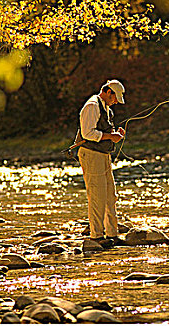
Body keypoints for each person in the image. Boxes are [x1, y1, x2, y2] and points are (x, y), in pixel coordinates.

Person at [76, 79, 126, 248]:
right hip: (91, 155)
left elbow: (102, 131)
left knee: (110, 195)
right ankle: (96, 236)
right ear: (107, 92)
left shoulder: (105, 108)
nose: (116, 102)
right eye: (115, 98)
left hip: (103, 155)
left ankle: (112, 234)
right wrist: (110, 137)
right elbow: (88, 133)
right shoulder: (92, 106)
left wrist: (115, 134)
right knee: (97, 197)